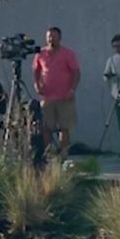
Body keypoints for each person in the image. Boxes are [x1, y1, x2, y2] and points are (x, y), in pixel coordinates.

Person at [32, 27, 81, 159]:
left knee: (64, 126)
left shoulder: (68, 53)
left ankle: (64, 153)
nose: (50, 39)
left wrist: (72, 90)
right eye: (49, 36)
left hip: (65, 96)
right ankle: (49, 153)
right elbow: (36, 70)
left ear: (60, 37)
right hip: (47, 97)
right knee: (46, 127)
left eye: (53, 36)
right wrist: (37, 84)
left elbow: (76, 72)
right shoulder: (40, 53)